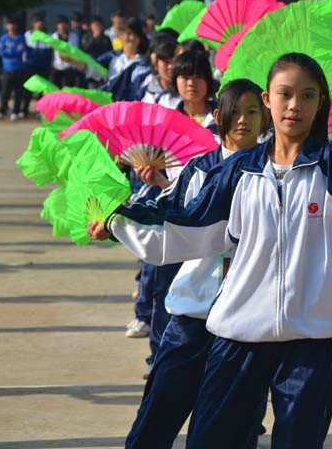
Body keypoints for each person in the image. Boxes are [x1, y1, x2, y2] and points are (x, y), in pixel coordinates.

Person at [93, 52, 332, 447]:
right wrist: (116, 222)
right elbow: (185, 226)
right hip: (239, 336)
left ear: (321, 104)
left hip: (310, 342)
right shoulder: (237, 172)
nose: (295, 105)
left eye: (308, 96)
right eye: (285, 94)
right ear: (268, 100)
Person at [93, 78, 269, 449]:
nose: (243, 120)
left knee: (234, 424)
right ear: (218, 116)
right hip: (193, 310)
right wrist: (114, 222)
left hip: (246, 316)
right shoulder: (199, 168)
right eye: (234, 112)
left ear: (265, 116)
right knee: (158, 410)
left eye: (252, 111)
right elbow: (163, 208)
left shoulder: (274, 171)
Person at [22, 13, 53, 117]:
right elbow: (24, 51)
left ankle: (39, 111)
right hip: (30, 66)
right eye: (36, 22)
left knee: (42, 91)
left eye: (41, 22)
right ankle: (24, 110)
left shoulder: (48, 36)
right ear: (33, 24)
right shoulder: (27, 35)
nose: (39, 24)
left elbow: (50, 53)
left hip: (43, 66)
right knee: (28, 89)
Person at [0, 16, 27, 120]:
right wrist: (14, 50)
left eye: (13, 24)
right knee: (5, 91)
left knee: (18, 91)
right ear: (6, 26)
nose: (11, 26)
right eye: (9, 24)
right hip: (7, 68)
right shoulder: (3, 38)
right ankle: (2, 110)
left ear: (17, 26)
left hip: (19, 68)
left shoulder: (21, 38)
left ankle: (16, 111)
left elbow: (22, 51)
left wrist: (9, 51)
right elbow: (2, 53)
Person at [138, 36, 178, 108]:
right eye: (166, 62)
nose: (170, 66)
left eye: (174, 62)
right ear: (156, 65)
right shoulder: (145, 87)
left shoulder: (184, 94)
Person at [50, 15, 80, 87]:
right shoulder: (53, 37)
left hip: (69, 67)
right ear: (57, 26)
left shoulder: (74, 36)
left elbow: (76, 51)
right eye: (60, 24)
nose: (62, 26)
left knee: (69, 90)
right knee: (55, 89)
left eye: (64, 24)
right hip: (56, 67)